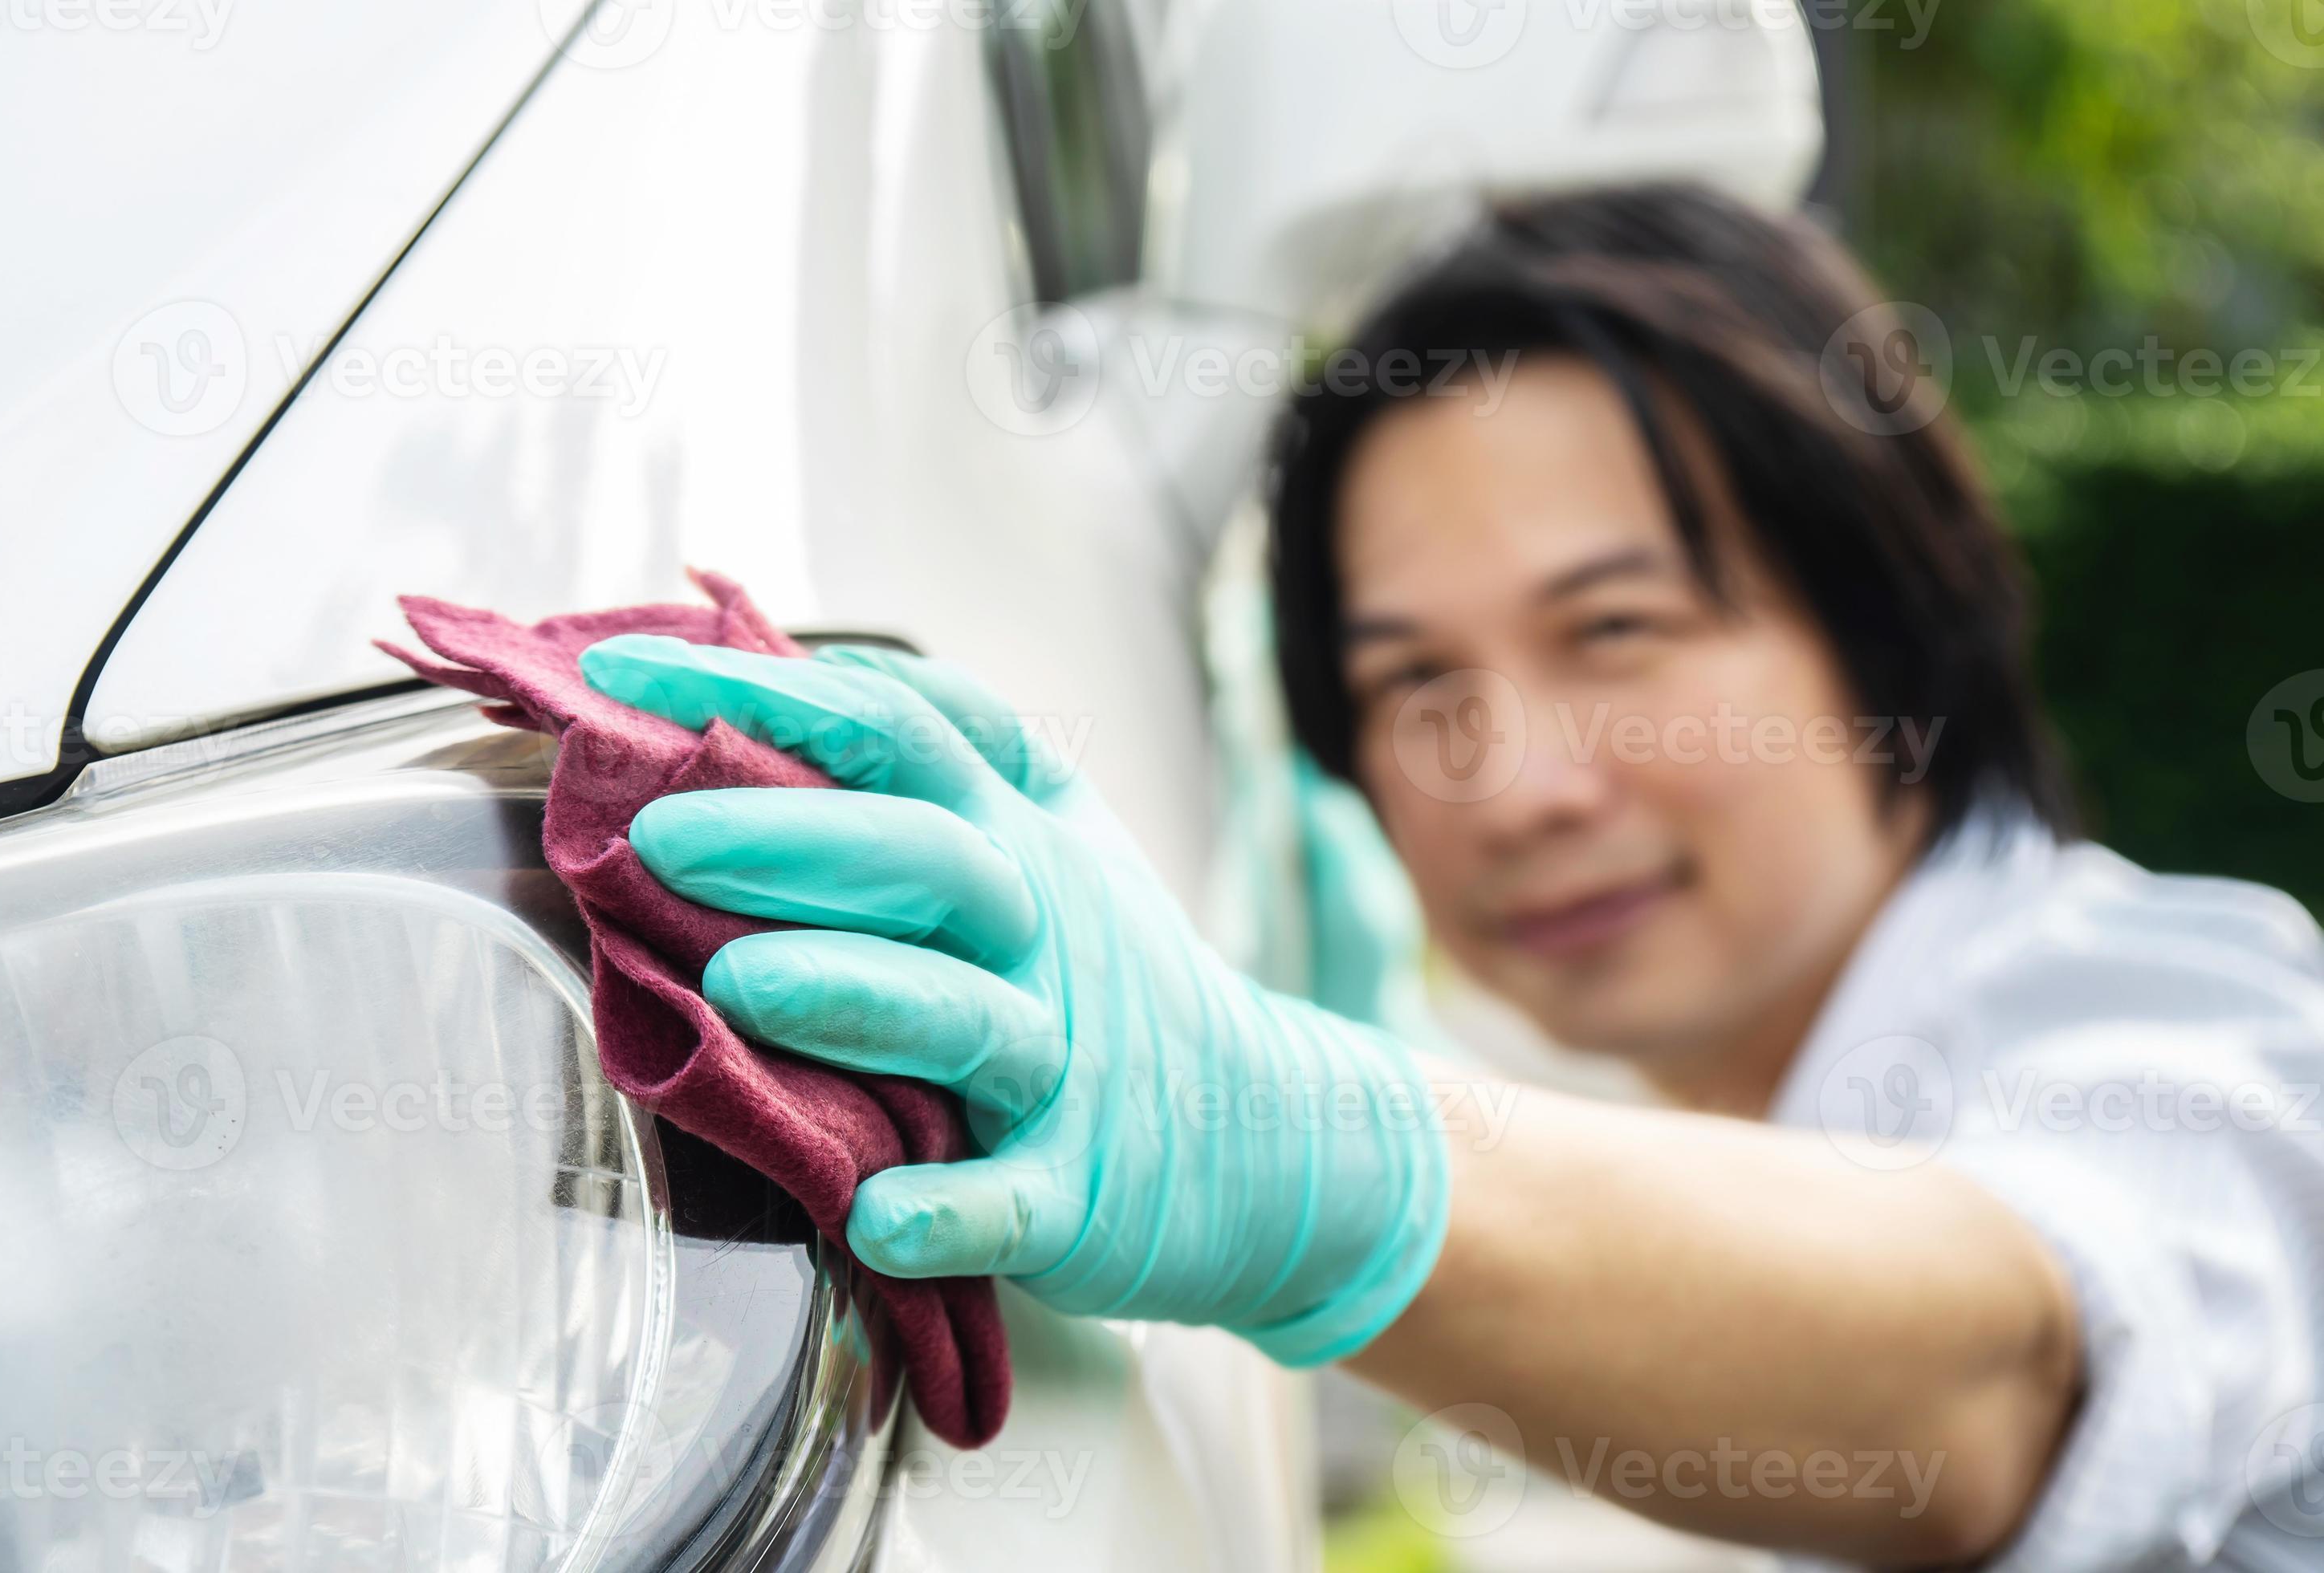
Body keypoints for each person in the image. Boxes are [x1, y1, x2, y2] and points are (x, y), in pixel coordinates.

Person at [576, 185, 2324, 1570]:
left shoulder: (2215, 1019)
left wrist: (1309, 1155)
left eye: (1618, 629)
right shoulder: (1772, 1109)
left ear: (1892, 643)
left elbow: (2010, 1371)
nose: (1524, 786)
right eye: (1418, 684)